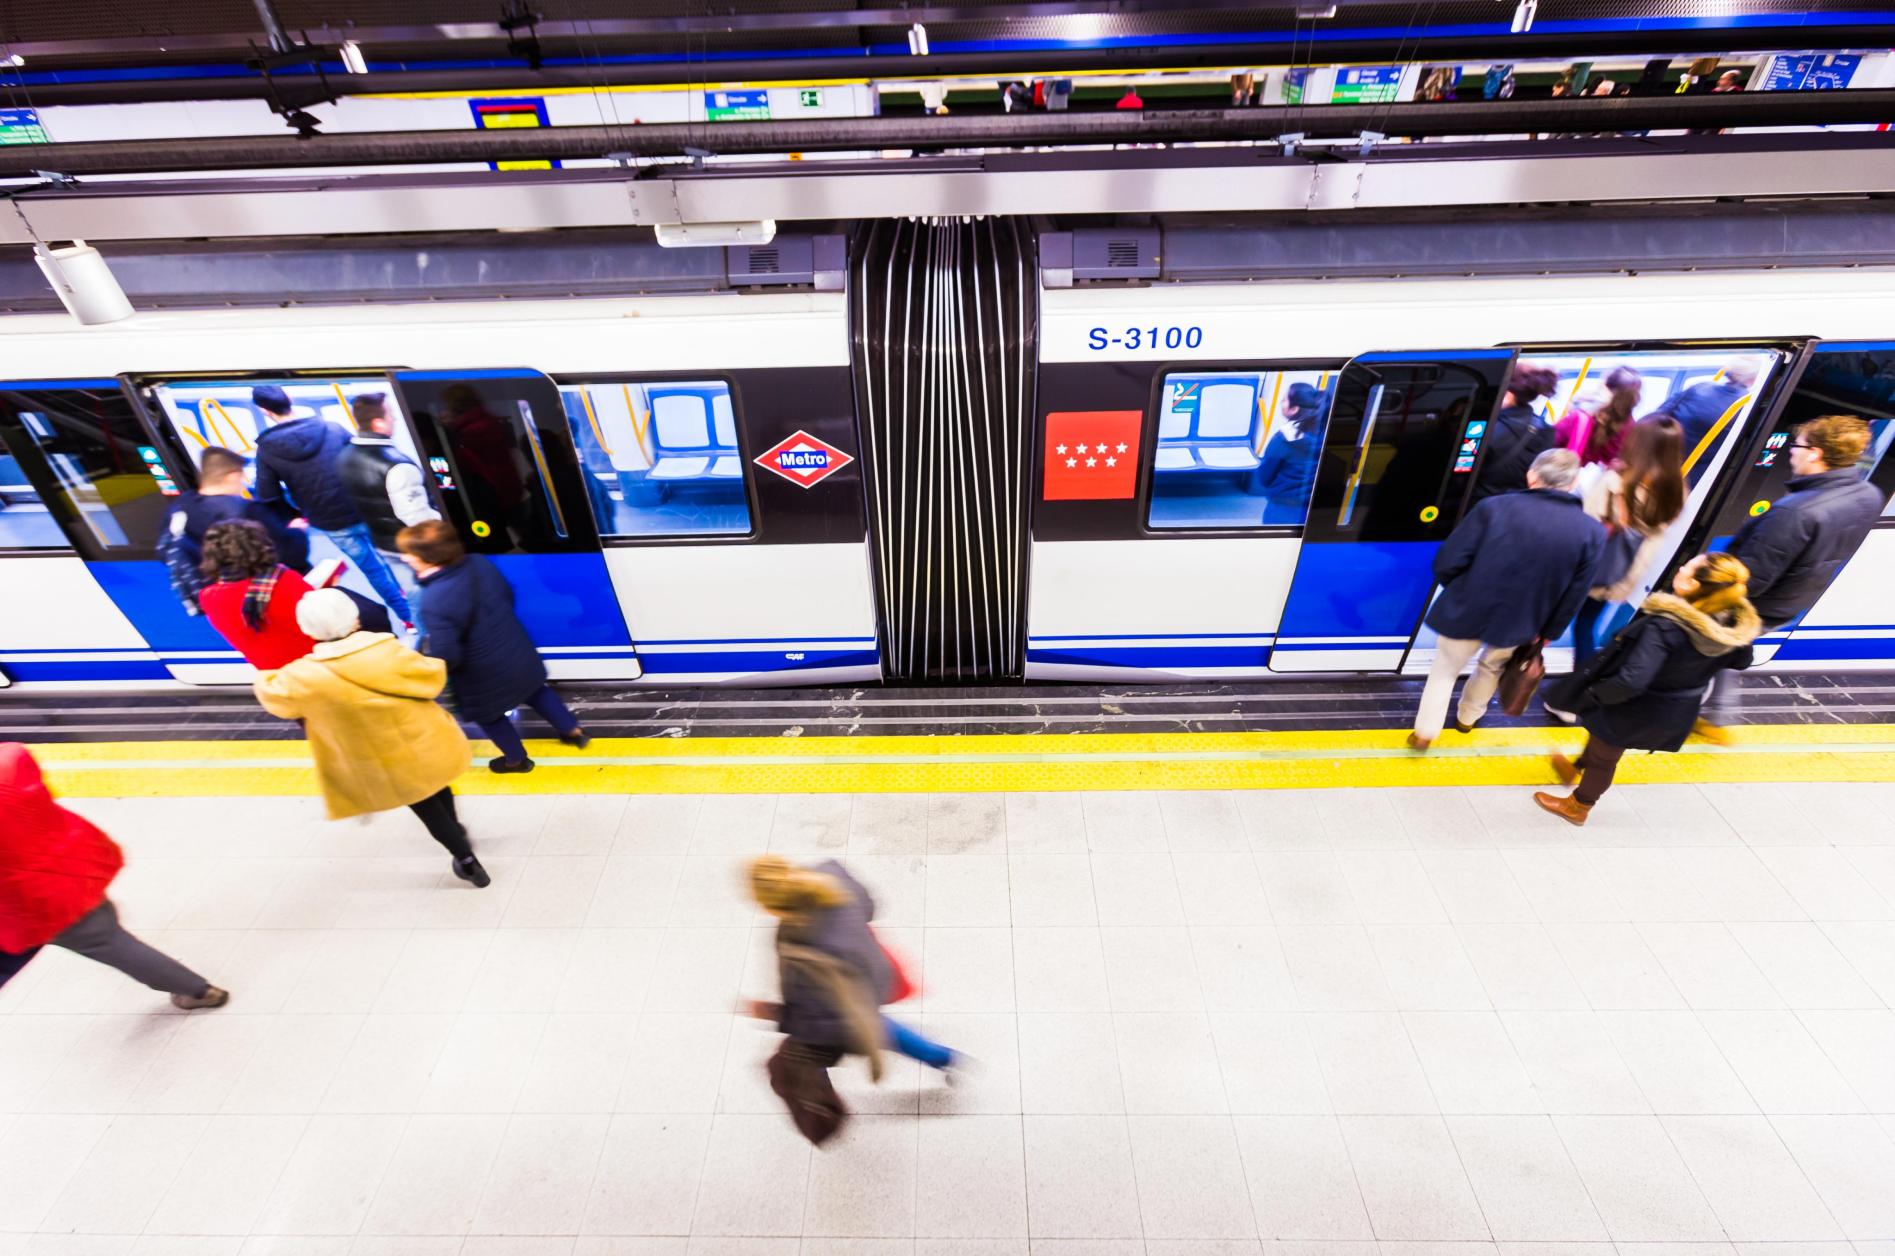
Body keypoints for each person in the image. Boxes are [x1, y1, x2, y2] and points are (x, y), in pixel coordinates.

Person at [252, 588, 490, 887]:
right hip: (423, 740)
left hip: (383, 760)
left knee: (426, 807)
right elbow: (431, 679)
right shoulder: (387, 651)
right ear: (354, 619)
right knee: (439, 787)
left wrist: (263, 674)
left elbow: (274, 697)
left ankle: (467, 861)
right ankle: (457, 833)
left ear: (307, 630)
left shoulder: (303, 676)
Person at [742, 854, 959, 1145]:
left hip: (840, 1011)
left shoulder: (797, 946)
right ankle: (943, 1058)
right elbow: (869, 906)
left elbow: (810, 1018)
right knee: (878, 1024)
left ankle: (825, 1102)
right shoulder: (831, 872)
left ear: (769, 906)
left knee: (809, 1053)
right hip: (874, 977)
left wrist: (770, 1012)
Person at [1534, 553, 1761, 824]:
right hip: (1675, 707)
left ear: (1692, 586)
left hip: (1634, 706)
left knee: (1605, 758)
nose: (1680, 569)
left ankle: (1579, 806)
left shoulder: (1665, 627)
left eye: (1686, 569)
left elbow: (1632, 680)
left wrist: (1592, 697)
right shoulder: (1731, 627)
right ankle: (1575, 768)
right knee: (1602, 741)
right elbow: (1742, 660)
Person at [0, 742, 228, 1008]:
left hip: (34, 899)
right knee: (105, 932)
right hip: (72, 866)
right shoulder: (10, 760)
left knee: (109, 942)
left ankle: (198, 991)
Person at [1699, 415, 1885, 737]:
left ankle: (1686, 710)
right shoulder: (1869, 494)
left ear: (1815, 453)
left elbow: (1749, 578)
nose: (1790, 451)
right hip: (1795, 598)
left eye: (1796, 445)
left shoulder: (1795, 512)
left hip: (1760, 602)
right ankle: (1718, 713)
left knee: (1702, 650)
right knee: (1730, 647)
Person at [1409, 448, 1606, 749]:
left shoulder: (1493, 508)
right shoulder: (1590, 532)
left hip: (1468, 606)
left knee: (1445, 669)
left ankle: (1425, 732)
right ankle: (1467, 718)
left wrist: (1463, 587)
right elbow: (1575, 592)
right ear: (1574, 481)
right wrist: (1549, 631)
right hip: (1524, 618)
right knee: (1492, 667)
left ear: (1532, 474)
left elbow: (1447, 561)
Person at [396, 519, 589, 774]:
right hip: (515, 647)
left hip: (481, 673)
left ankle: (516, 760)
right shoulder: (478, 562)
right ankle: (573, 732)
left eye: (410, 554)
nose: (405, 558)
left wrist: (433, 663)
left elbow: (448, 653)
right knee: (536, 691)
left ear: (427, 557)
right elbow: (507, 595)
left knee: (491, 716)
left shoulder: (433, 600)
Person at [251, 385, 415, 626]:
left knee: (372, 570)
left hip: (328, 522)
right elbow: (360, 460)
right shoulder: (332, 429)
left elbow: (268, 494)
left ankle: (406, 617)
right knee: (393, 558)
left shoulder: (266, 450)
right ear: (291, 398)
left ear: (264, 411)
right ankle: (416, 608)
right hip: (365, 509)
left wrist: (297, 514)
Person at [1570, 416, 1688, 665]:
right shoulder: (1676, 487)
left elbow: (1588, 521)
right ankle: (1586, 682)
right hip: (1628, 568)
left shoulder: (1617, 480)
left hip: (1594, 564)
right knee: (1588, 622)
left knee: (1573, 623)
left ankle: (1577, 684)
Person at [159, 445, 308, 614]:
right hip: (264, 597)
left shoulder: (181, 507)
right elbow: (289, 555)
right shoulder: (248, 511)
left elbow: (165, 551)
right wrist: (297, 532)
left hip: (219, 599)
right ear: (232, 476)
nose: (243, 484)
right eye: (241, 477)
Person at [334, 392, 441, 611]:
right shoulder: (396, 465)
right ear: (378, 422)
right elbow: (416, 517)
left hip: (382, 542)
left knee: (412, 594)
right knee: (430, 595)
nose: (395, 419)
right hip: (413, 547)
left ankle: (424, 636)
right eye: (391, 414)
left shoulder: (344, 457)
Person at [197, 520, 319, 670]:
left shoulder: (208, 597)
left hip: (275, 678)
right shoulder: (286, 580)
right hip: (316, 666)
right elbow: (322, 622)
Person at [1470, 363, 1560, 503]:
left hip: (1479, 503)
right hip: (1515, 505)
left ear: (1507, 395)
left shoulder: (1487, 429)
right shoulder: (1546, 430)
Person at [1649, 359, 1759, 473]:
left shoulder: (1700, 388)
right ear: (1753, 379)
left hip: (1663, 459)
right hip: (1700, 474)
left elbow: (1659, 414)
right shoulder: (1747, 405)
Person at [1255, 382, 1327, 524]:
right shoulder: (1324, 433)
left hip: (1283, 507)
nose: (1281, 402)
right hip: (1314, 509)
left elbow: (1265, 476)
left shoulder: (1283, 438)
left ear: (1294, 409)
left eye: (1284, 400)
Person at [1554, 366, 1641, 468]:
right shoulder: (1633, 431)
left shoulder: (1581, 417)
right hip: (1599, 482)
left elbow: (1551, 441)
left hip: (1563, 475)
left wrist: (1575, 405)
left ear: (1604, 388)